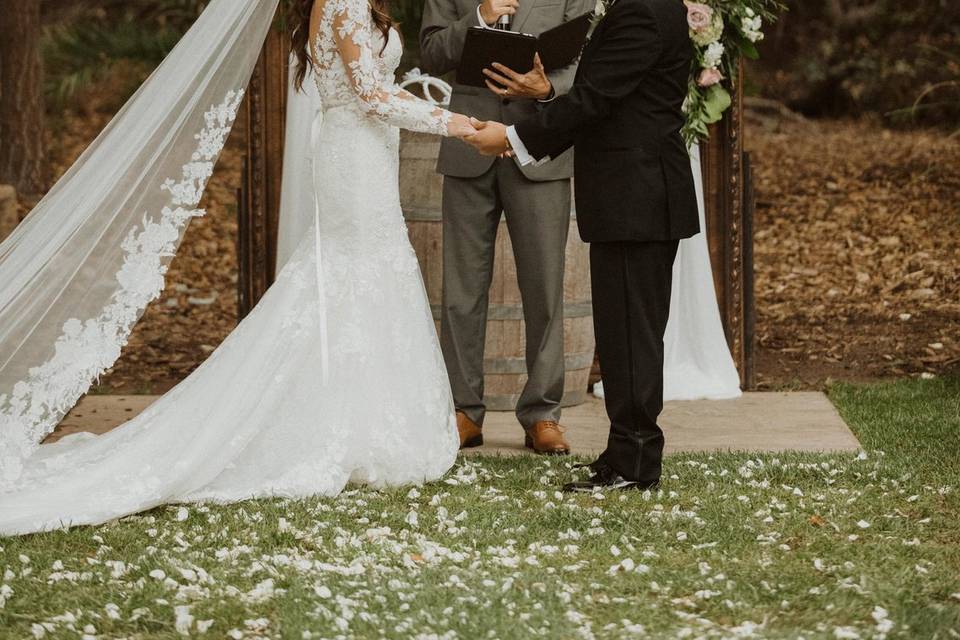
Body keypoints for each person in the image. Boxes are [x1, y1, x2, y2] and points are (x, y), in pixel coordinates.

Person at [0, 0, 479, 536]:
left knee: (360, 281)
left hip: (367, 154)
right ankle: (342, 429)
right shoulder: (342, 2)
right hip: (354, 157)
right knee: (354, 275)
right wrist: (456, 123)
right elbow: (369, 95)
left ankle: (360, 421)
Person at [465, 0, 701, 491]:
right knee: (624, 334)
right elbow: (602, 100)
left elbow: (593, 101)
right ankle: (624, 453)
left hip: (637, 196)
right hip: (634, 196)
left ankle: (634, 463)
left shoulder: (643, 13)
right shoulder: (653, 8)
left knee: (631, 337)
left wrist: (511, 136)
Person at [419, 0, 593, 455]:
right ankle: (463, 411)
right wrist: (478, 16)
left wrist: (545, 88)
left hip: (540, 146)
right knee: (460, 291)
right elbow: (432, 52)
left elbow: (588, 63)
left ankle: (543, 415)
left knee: (543, 289)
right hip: (467, 143)